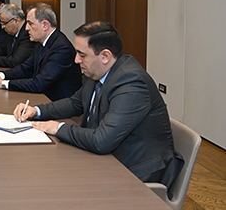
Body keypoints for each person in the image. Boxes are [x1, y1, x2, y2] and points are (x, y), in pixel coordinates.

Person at [14, 21, 184, 194]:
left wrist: (58, 128)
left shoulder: (131, 82)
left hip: (136, 172)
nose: (76, 60)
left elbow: (101, 141)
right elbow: (75, 103)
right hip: (107, 158)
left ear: (105, 56)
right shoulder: (98, 71)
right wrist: (37, 111)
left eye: (82, 55)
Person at [0, 3, 81, 101]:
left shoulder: (61, 48)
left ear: (45, 25)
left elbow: (39, 83)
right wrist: (0, 75)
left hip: (58, 103)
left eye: (30, 23)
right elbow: (26, 68)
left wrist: (3, 83)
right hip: (42, 97)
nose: (26, 28)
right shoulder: (40, 41)